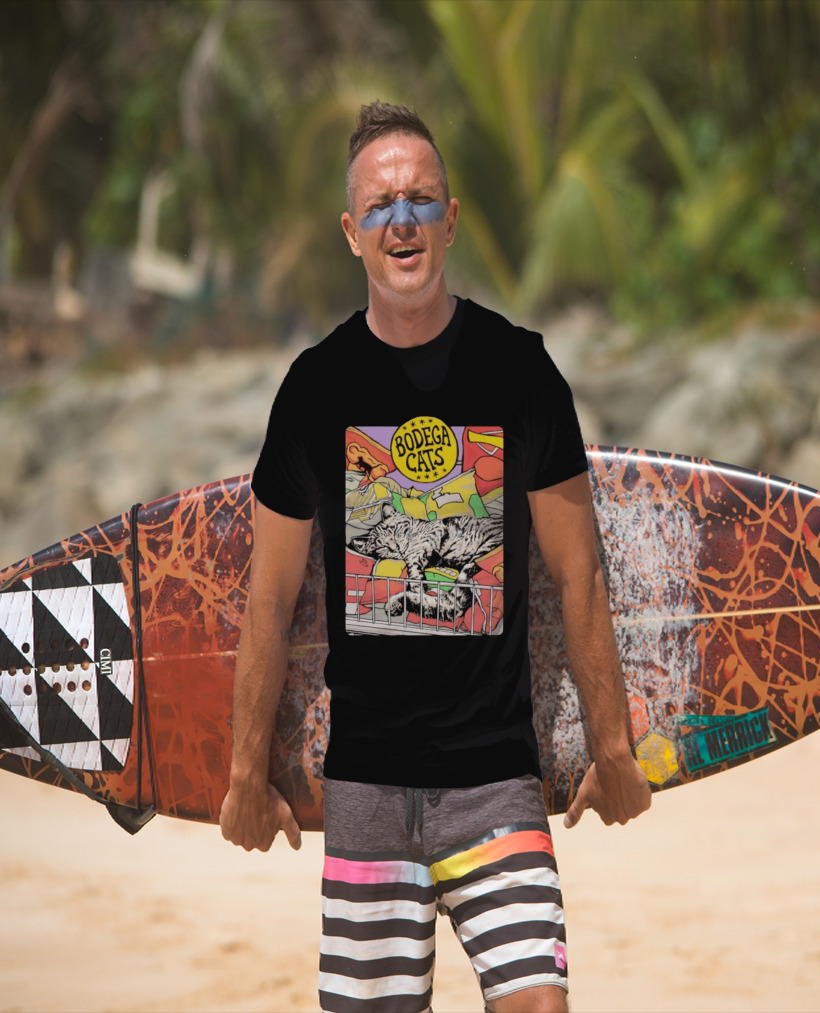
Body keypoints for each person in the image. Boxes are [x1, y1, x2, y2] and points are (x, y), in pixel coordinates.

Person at [220, 100, 651, 1013]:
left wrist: (612, 746)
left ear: (451, 219)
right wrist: (242, 773)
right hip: (367, 787)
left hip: (496, 780)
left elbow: (580, 575)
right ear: (351, 233)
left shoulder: (521, 371)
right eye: (380, 206)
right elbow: (269, 601)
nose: (402, 220)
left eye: (421, 200)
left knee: (540, 1003)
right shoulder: (314, 389)